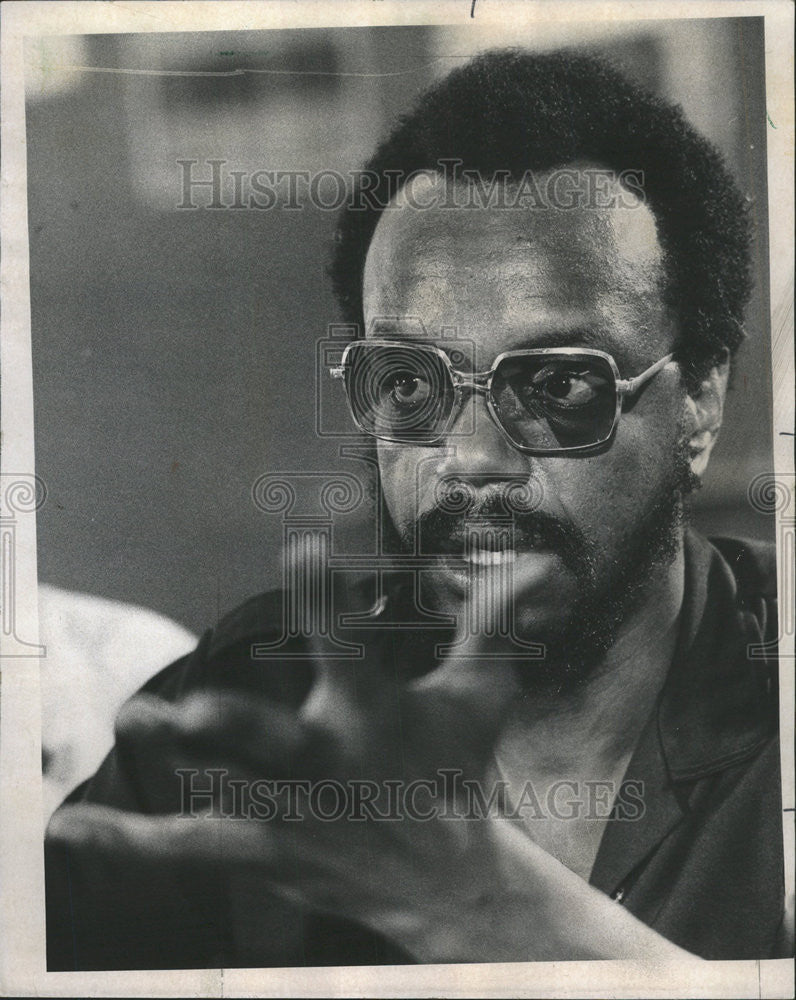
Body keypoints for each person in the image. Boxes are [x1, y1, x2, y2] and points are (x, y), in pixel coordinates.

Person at [45, 48, 788, 970]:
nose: (470, 459)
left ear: (703, 401)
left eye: (558, 385)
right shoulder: (258, 706)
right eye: (407, 383)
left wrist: (480, 908)